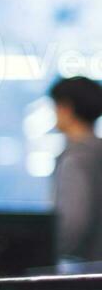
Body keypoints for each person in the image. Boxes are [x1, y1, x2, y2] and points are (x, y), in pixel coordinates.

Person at [49, 76, 102, 266]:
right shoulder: (97, 152)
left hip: (82, 271)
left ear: (66, 108)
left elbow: (72, 224)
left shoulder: (76, 159)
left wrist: (46, 255)